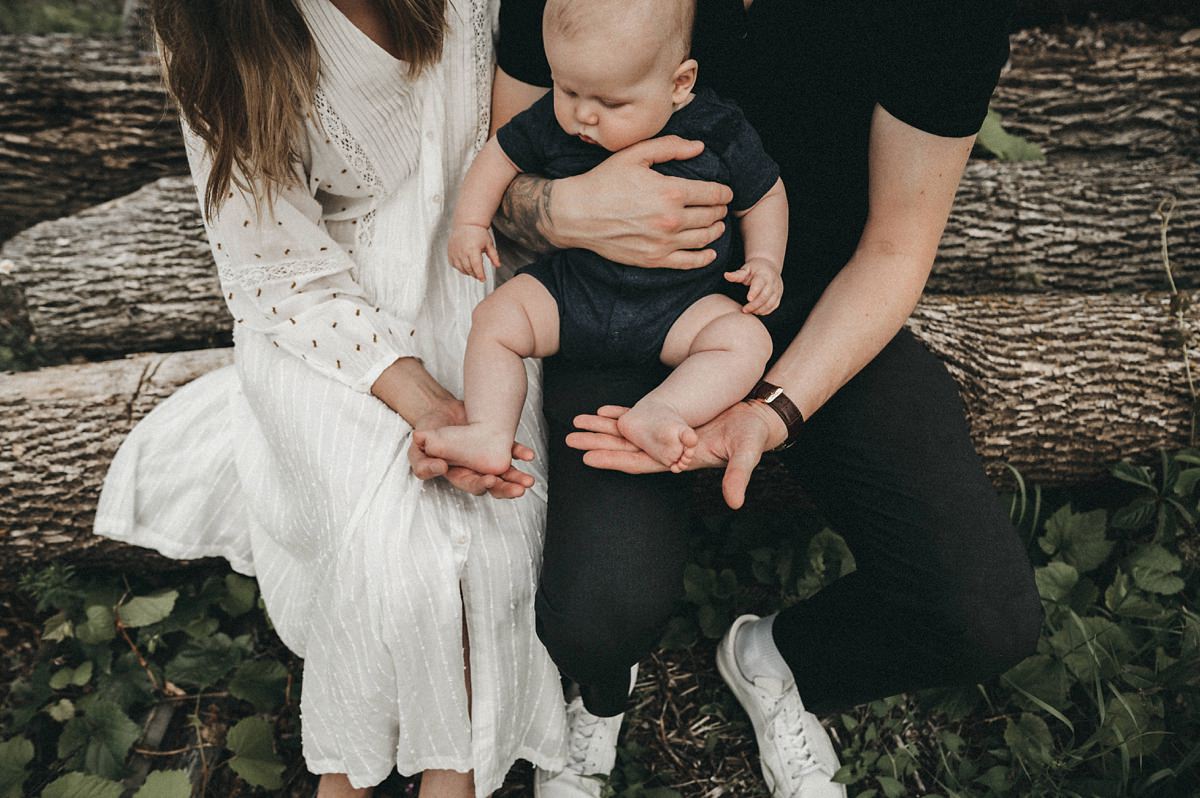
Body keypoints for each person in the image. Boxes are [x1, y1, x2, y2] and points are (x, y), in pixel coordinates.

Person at [464, 0, 1045, 795]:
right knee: (598, 615)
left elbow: (895, 249)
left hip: (803, 304)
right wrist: (569, 212)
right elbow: (508, 172)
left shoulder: (941, 15)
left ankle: (777, 660)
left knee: (982, 615)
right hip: (606, 294)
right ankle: (601, 690)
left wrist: (773, 406)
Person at [92, 1, 568, 796]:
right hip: (324, 315)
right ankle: (351, 781)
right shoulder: (216, 28)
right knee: (399, 562)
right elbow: (278, 270)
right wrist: (428, 406)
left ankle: (443, 782)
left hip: (480, 287)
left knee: (478, 551)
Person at [422, 0, 785, 478]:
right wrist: (470, 223)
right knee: (495, 320)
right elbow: (500, 155)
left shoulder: (718, 127)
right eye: (567, 89)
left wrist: (764, 260)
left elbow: (762, 195)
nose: (583, 117)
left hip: (679, 309)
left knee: (745, 340)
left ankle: (663, 409)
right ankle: (489, 430)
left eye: (611, 103)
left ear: (680, 83)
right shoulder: (554, 120)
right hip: (571, 293)